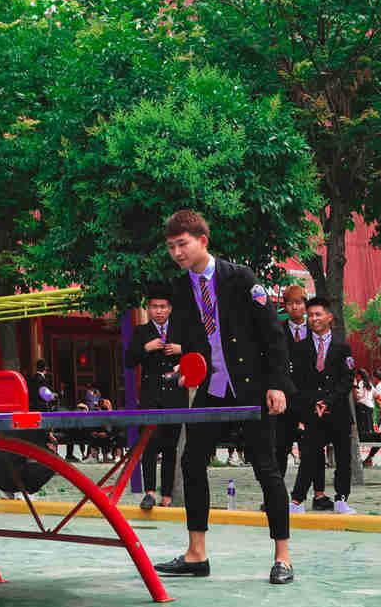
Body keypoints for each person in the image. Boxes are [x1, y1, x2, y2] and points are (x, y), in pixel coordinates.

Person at [149, 210, 296, 586]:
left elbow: (273, 334)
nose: (177, 253)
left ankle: (282, 557)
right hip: (212, 390)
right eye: (171, 247)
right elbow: (192, 339)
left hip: (251, 388)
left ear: (203, 241)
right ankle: (196, 554)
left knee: (266, 468)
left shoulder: (240, 278)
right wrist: (187, 366)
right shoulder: (181, 287)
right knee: (191, 461)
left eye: (182, 244)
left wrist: (277, 384)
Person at [289, 296, 355, 514]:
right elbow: (297, 381)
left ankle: (341, 499)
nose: (314, 319)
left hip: (338, 411)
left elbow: (347, 379)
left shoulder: (342, 347)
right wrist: (312, 403)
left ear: (329, 317)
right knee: (309, 455)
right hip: (312, 412)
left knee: (343, 458)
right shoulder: (300, 348)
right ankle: (297, 500)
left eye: (318, 314)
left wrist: (328, 401)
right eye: (310, 315)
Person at [122, 291, 183, 511]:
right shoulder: (141, 332)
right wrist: (145, 348)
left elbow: (199, 353)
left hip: (174, 397)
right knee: (149, 444)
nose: (159, 311)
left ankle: (166, 495)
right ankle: (149, 493)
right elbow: (129, 360)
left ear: (170, 309)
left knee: (170, 448)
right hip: (150, 397)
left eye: (163, 307)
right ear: (148, 309)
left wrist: (181, 350)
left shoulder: (180, 330)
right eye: (155, 307)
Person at [276, 286, 316, 485]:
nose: (295, 307)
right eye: (290, 303)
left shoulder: (316, 330)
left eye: (299, 303)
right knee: (280, 447)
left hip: (309, 397)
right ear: (285, 306)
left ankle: (310, 493)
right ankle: (276, 493)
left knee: (311, 448)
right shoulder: (277, 330)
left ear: (305, 305)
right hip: (284, 398)